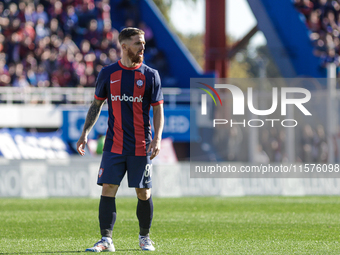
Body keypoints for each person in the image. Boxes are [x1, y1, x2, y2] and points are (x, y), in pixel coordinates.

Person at [76, 27, 164, 252]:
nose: (143, 47)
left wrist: (158, 138)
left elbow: (158, 111)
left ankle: (144, 237)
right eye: (138, 43)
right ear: (124, 47)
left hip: (141, 144)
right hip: (114, 143)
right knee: (108, 189)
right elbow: (97, 105)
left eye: (143, 43)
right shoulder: (107, 73)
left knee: (143, 192)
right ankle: (106, 240)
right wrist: (85, 133)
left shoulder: (150, 75)